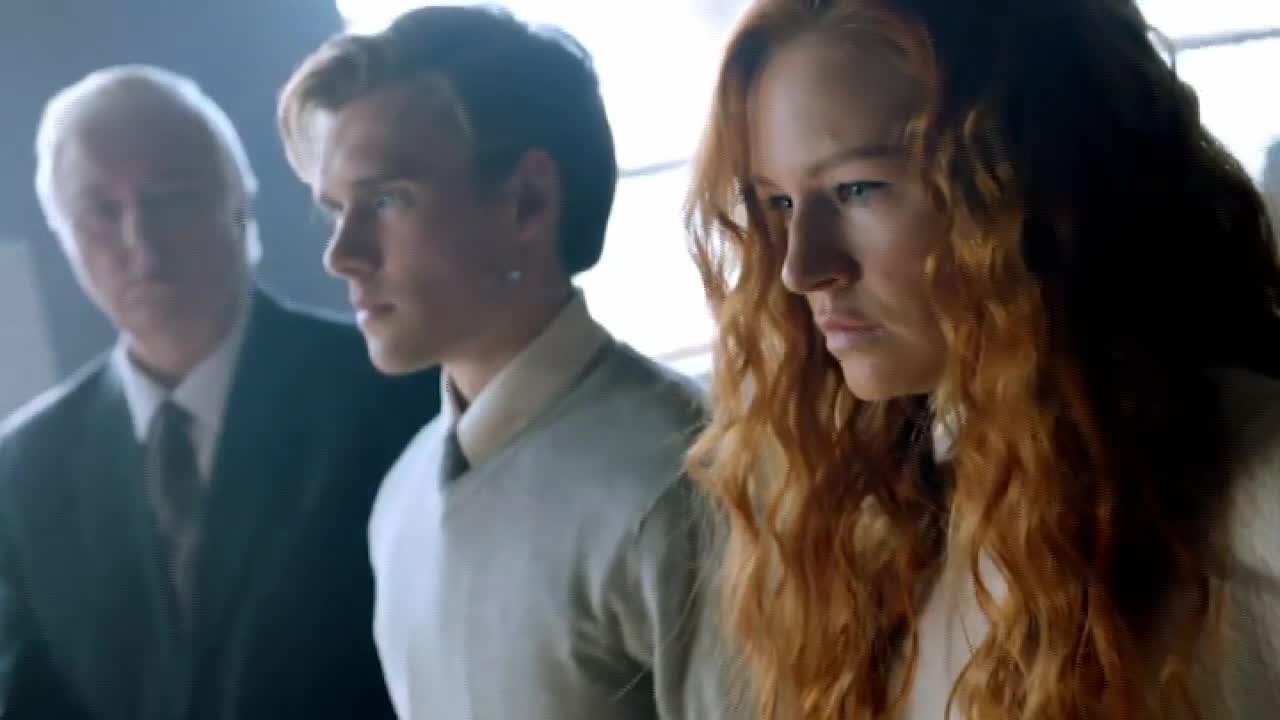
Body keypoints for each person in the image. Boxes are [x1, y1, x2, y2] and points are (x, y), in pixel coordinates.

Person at [685, 0, 1280, 718]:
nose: (800, 268)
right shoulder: (888, 510)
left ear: (1035, 181)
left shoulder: (1253, 491)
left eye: (857, 189)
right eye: (778, 203)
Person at [277, 6, 731, 720]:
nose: (342, 254)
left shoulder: (679, 485)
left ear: (527, 202)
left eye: (386, 199)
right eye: (335, 210)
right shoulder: (401, 498)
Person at [0, 65, 439, 720]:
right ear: (63, 236)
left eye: (171, 198)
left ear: (240, 207)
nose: (140, 241)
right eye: (100, 212)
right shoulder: (23, 470)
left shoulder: (398, 391)